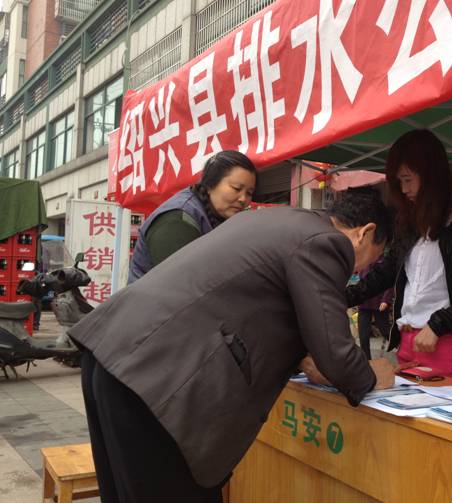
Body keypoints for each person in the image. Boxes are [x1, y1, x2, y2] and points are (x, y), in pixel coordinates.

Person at [68, 189, 396, 503]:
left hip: (114, 355)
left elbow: (251, 304)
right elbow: (335, 353)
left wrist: (303, 359)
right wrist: (369, 376)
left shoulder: (273, 221)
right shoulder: (326, 242)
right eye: (372, 257)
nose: (360, 270)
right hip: (156, 381)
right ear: (364, 233)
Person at [347, 129, 452, 379]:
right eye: (399, 182)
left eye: (408, 179)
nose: (403, 189)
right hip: (407, 341)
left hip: (449, 344)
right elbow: (387, 270)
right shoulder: (413, 219)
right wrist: (344, 297)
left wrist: (439, 323)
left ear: (432, 175)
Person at [127, 150, 256, 283]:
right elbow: (182, 283)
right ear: (210, 184)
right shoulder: (177, 220)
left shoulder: (218, 217)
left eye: (249, 193)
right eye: (236, 188)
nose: (243, 199)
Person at [356, 257, 393, 359]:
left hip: (379, 303)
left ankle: (402, 346)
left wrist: (385, 300)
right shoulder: (363, 260)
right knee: (363, 336)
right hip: (364, 303)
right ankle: (367, 361)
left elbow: (390, 282)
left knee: (385, 330)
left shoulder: (384, 262)